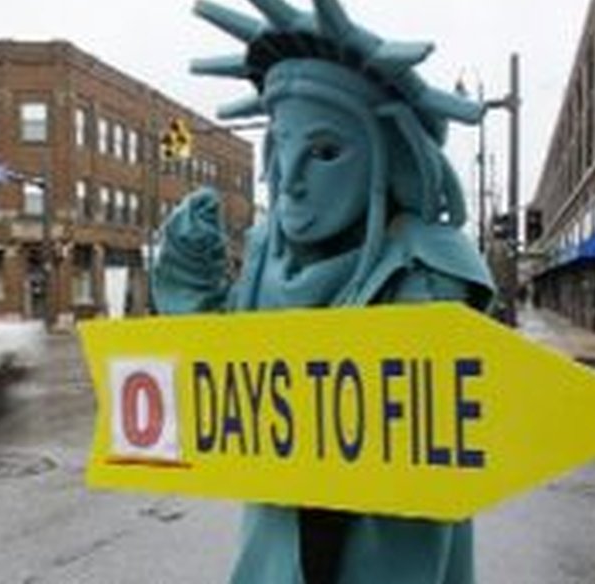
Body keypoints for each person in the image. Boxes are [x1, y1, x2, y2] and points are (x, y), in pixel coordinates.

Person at [151, 1, 496, 582]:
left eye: (326, 151)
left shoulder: (430, 269)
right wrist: (191, 278)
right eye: (281, 149)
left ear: (389, 156)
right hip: (277, 552)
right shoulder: (264, 256)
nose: (295, 182)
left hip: (385, 555)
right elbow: (221, 384)